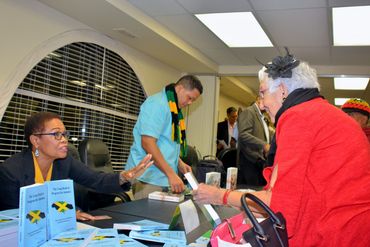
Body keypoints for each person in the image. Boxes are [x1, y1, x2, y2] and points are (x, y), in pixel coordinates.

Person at [193, 50, 370, 246]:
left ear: (283, 91)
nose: (261, 104)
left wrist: (219, 195)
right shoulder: (322, 113)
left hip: (335, 235)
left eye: (262, 92)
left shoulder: (299, 116)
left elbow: (280, 204)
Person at [0, 112, 153, 221]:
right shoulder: (11, 172)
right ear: (36, 141)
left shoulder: (64, 161)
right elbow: (14, 217)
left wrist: (124, 177)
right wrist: (65, 214)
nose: (64, 140)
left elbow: (96, 179)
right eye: (56, 134)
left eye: (65, 134)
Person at [125, 75, 203, 199]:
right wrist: (171, 173)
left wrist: (179, 163)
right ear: (180, 89)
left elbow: (165, 143)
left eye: (193, 101)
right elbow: (148, 143)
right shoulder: (157, 104)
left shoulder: (173, 110)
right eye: (190, 98)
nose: (190, 103)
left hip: (162, 177)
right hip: (149, 178)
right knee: (150, 217)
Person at [237, 96, 270, 186]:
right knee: (250, 193)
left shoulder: (262, 116)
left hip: (258, 161)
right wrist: (264, 145)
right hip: (249, 161)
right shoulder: (249, 112)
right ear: (259, 99)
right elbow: (243, 134)